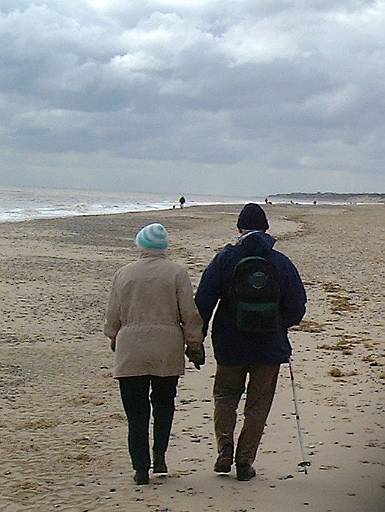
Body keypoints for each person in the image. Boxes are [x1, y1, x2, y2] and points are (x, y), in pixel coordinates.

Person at [195, 203, 306, 481]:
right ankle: (244, 462)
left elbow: (203, 302)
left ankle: (225, 447)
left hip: (230, 344)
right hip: (269, 347)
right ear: (266, 228)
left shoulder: (225, 259)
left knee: (225, 396)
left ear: (239, 228)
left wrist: (197, 339)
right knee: (257, 406)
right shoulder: (280, 262)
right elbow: (297, 305)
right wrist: (281, 324)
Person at [104, 223, 204, 485]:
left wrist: (114, 335)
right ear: (164, 247)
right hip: (167, 346)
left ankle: (140, 468)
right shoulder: (177, 273)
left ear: (140, 245)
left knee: (136, 413)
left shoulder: (123, 274)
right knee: (163, 402)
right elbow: (189, 314)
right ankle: (159, 455)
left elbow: (112, 315)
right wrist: (194, 344)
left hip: (130, 348)